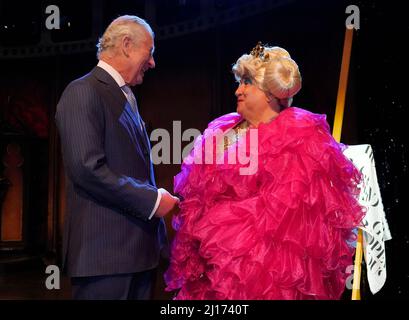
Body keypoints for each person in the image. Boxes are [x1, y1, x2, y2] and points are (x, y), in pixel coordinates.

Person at [164, 42, 365, 299]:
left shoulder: (297, 135)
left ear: (270, 92)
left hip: (262, 272)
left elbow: (293, 218)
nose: (238, 90)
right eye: (239, 81)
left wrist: (228, 234)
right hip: (209, 268)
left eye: (247, 82)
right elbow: (197, 195)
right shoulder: (221, 130)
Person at [55, 15, 179, 300]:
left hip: (138, 256)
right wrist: (153, 200)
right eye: (150, 53)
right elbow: (87, 169)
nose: (152, 63)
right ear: (126, 45)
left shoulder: (126, 96)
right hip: (105, 259)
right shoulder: (82, 91)